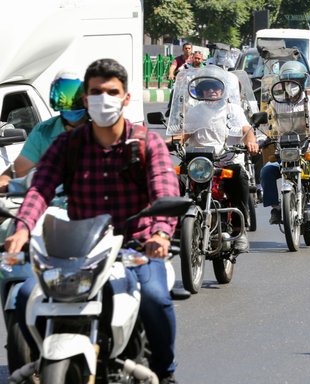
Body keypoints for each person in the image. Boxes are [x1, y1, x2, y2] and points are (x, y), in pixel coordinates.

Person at [5, 58, 182, 384]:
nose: (104, 99)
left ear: (126, 98)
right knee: (24, 294)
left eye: (112, 92)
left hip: (136, 246)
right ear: (85, 99)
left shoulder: (146, 143)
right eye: (96, 92)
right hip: (78, 250)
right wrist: (22, 229)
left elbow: (163, 191)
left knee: (156, 297)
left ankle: (165, 373)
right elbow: (39, 188)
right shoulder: (65, 144)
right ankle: (39, 362)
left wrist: (160, 233)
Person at [182, 69, 259, 251]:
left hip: (228, 160)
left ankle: (240, 230)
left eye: (216, 88)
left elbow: (246, 130)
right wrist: (164, 143)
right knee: (176, 177)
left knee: (240, 178)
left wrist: (251, 143)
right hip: (201, 163)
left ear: (223, 90)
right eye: (207, 89)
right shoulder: (194, 112)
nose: (212, 91)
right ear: (201, 93)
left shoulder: (233, 109)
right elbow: (182, 135)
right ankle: (175, 223)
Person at [260, 61, 310, 224]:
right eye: (287, 82)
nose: (291, 85)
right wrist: (261, 138)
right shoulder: (274, 104)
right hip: (283, 151)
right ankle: (275, 208)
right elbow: (265, 125)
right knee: (266, 172)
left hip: (308, 150)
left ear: (302, 83)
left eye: (295, 81)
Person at [0, 71, 89, 192]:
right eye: (64, 98)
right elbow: (17, 170)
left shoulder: (101, 131)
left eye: (76, 98)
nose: (70, 104)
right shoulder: (44, 131)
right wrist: (5, 181)